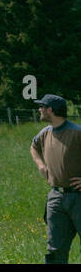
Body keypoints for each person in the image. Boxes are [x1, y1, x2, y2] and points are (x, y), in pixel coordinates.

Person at [28, 94, 81, 263]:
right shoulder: (45, 132)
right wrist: (41, 166)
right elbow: (33, 147)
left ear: (50, 110)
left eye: (42, 107)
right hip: (56, 198)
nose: (39, 110)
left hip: (79, 198)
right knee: (55, 249)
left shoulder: (77, 133)